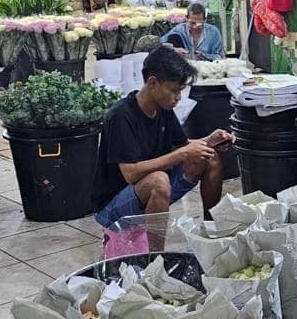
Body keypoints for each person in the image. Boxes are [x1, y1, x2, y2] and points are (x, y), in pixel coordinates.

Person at [92, 47, 234, 237]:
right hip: (114, 207)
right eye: (174, 90)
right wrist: (182, 154)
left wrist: (209, 140)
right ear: (152, 83)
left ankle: (212, 231)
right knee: (159, 180)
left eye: (180, 91)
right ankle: (156, 259)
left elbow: (182, 145)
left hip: (153, 188)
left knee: (209, 157)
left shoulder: (163, 107)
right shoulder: (120, 116)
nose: (178, 98)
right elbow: (130, 173)